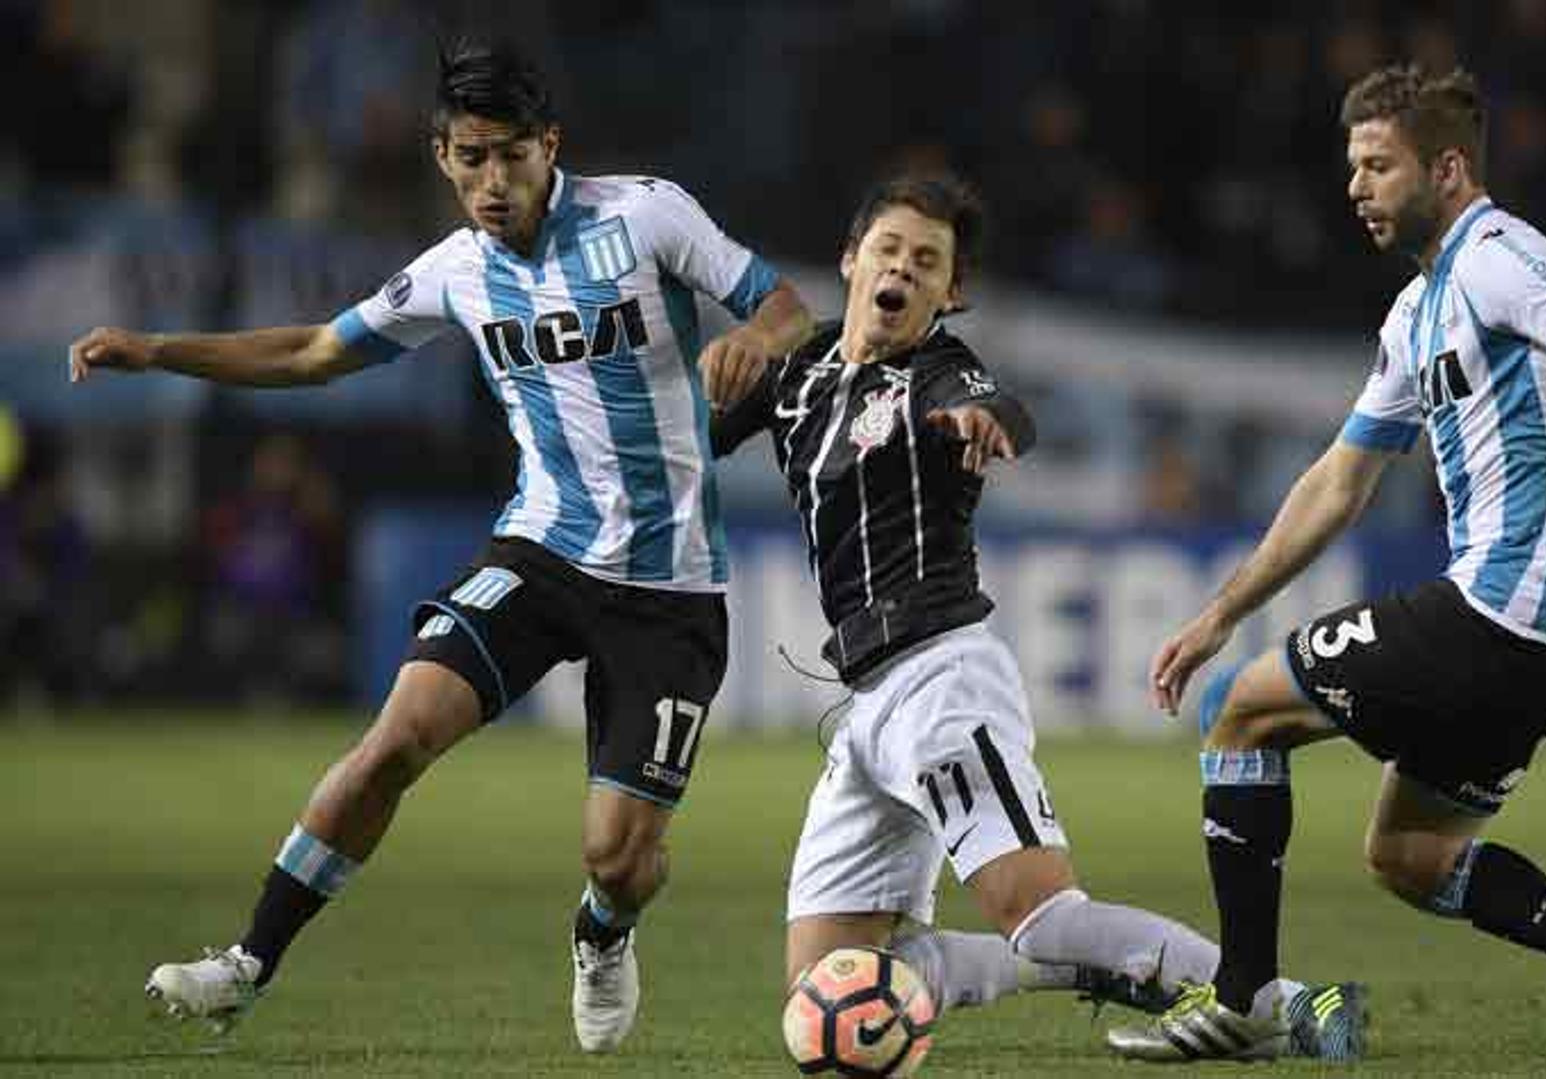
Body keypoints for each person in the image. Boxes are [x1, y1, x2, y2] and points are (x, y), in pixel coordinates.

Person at [67, 41, 813, 1053]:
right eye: (472, 158)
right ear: (442, 157)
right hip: (540, 550)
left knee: (619, 856)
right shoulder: (453, 273)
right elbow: (316, 351)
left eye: (512, 154)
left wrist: (755, 344)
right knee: (394, 737)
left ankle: (603, 929)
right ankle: (246, 963)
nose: (493, 182)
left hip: (668, 583)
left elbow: (784, 306)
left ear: (551, 145)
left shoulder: (646, 216)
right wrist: (157, 351)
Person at [1107, 64, 1546, 1064]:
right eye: (1350, 166)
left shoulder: (1496, 253)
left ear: (1447, 168)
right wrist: (1222, 607)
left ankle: (1247, 997)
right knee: (1410, 854)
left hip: (1501, 605)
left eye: (1377, 164)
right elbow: (1339, 481)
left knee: (1239, 709)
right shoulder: (1416, 313)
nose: (1355, 186)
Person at [708, 174, 1355, 1046]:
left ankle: (1281, 1003)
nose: (904, 268)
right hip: (865, 707)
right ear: (851, 261)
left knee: (1044, 912)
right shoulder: (797, 375)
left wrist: (980, 420)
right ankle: (1014, 969)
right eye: (890, 250)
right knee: (824, 986)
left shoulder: (936, 369)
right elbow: (675, 441)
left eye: (928, 261)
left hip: (942, 679)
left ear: (951, 292)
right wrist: (722, 356)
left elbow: (990, 402)